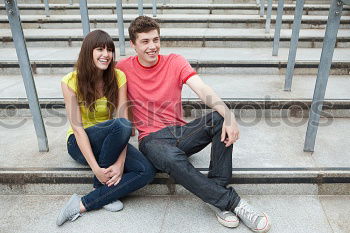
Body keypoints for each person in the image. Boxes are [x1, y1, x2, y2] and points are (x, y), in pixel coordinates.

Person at [116, 16, 271, 233]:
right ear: (132, 44)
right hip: (152, 140)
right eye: (145, 41)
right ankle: (233, 203)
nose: (152, 47)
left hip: (181, 133)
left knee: (218, 117)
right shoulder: (122, 68)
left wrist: (229, 115)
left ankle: (216, 193)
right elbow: (94, 77)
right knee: (171, 157)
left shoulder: (175, 61)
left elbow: (201, 88)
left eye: (156, 40)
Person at [56, 29, 155, 226]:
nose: (106, 54)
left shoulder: (118, 77)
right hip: (79, 141)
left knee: (146, 171)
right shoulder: (70, 81)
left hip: (112, 137)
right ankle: (99, 185)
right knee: (118, 125)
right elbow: (77, 129)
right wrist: (96, 169)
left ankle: (84, 202)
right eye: (99, 49)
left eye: (109, 49)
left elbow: (123, 123)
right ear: (88, 52)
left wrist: (120, 163)